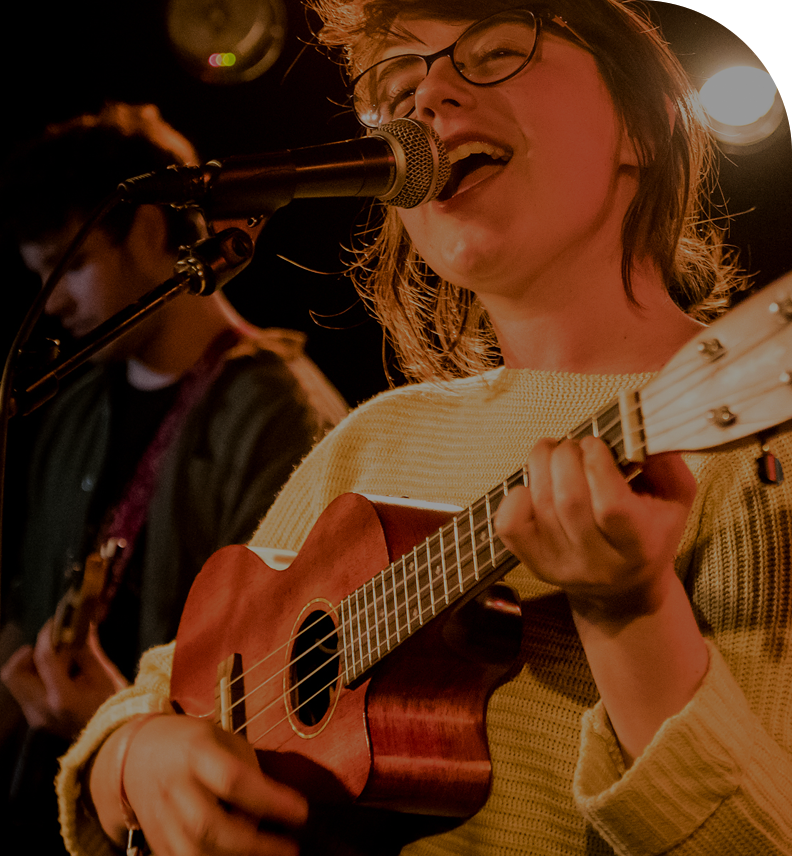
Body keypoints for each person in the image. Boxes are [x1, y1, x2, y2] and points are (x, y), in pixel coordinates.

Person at [55, 3, 792, 856]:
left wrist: (631, 612)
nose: (428, 96)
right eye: (399, 84)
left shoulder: (754, 456)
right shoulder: (376, 441)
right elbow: (165, 686)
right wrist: (129, 759)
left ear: (647, 127)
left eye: (497, 52)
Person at [0, 103, 347, 850]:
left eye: (75, 263)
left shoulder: (277, 413)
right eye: (41, 276)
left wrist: (119, 717)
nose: (53, 301)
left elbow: (294, 691)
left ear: (154, 232)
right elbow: (27, 604)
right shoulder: (78, 401)